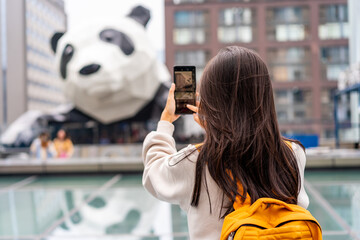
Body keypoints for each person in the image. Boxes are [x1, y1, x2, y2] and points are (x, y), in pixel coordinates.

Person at [142, 46, 309, 240]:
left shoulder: (196, 162)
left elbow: (154, 175)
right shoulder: (294, 153)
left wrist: (165, 121)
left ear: (211, 101)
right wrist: (216, 131)